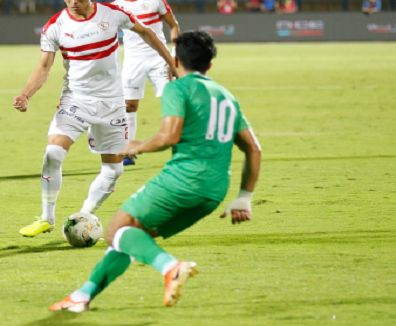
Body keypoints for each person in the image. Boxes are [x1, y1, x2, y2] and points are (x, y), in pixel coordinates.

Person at [50, 31, 262, 312]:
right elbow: (253, 148)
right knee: (133, 236)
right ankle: (82, 296)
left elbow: (168, 136)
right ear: (209, 65)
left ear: (174, 59)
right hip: (214, 191)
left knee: (117, 230)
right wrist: (244, 197)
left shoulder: (179, 88)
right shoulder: (225, 95)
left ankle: (171, 268)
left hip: (184, 180)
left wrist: (135, 146)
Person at [13, 0, 175, 237]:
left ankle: (84, 217)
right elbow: (43, 68)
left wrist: (171, 61)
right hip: (75, 100)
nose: (73, 1)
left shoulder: (111, 14)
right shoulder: (55, 26)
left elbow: (148, 32)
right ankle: (46, 217)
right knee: (53, 153)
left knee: (113, 171)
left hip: (112, 103)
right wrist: (25, 94)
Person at [112, 0, 180, 166]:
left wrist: (174, 56)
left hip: (159, 58)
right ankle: (128, 151)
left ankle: (181, 149)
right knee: (129, 105)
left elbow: (173, 26)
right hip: (133, 60)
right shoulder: (116, 5)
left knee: (172, 101)